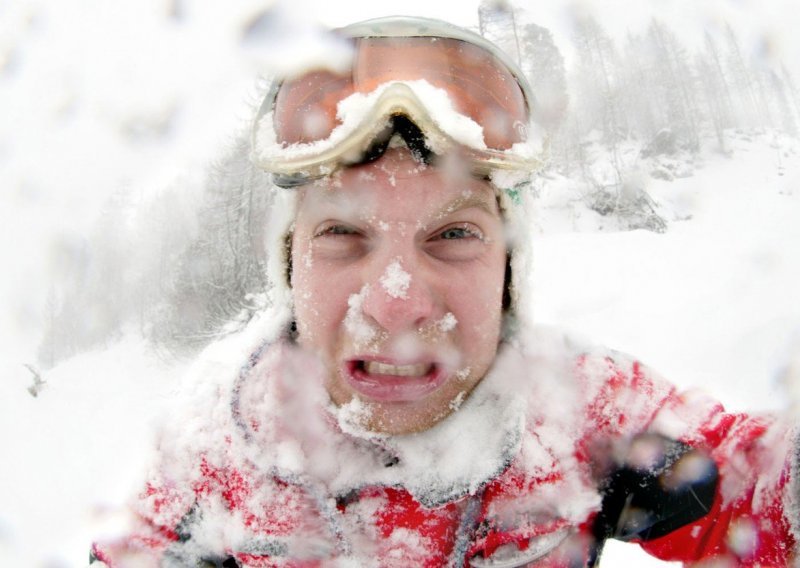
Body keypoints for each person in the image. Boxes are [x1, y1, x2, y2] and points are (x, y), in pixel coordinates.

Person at [91, 16, 797, 567]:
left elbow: (751, 493)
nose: (397, 304)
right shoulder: (213, 449)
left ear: (509, 271)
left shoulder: (583, 407)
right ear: (291, 266)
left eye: (453, 235)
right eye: (342, 234)